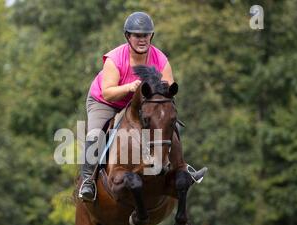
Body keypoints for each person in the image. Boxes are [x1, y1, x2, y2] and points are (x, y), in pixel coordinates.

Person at [78, 12, 207, 202]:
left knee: (172, 125)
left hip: (141, 105)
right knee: (95, 134)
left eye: (146, 35)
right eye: (137, 35)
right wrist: (130, 87)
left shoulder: (160, 59)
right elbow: (108, 93)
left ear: (151, 36)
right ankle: (88, 180)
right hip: (107, 102)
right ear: (128, 37)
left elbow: (169, 91)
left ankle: (181, 167)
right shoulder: (115, 59)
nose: (142, 39)